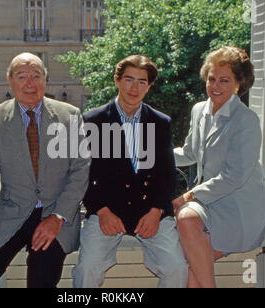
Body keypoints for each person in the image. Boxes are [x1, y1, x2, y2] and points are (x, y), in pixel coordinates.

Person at [0, 53, 91, 288]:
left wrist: (57, 217)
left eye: (36, 76)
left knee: (41, 277)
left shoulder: (69, 116)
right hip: (12, 214)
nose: (30, 83)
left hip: (55, 213)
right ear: (10, 80)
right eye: (22, 76)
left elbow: (80, 169)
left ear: (45, 80)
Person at [73, 55, 188, 288]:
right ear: (117, 80)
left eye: (142, 82)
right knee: (87, 268)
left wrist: (156, 211)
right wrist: (101, 210)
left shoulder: (160, 122)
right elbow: (81, 175)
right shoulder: (92, 121)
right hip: (106, 211)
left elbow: (167, 175)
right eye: (128, 79)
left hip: (150, 212)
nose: (134, 88)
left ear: (149, 86)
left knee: (177, 268)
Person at [173, 47, 265, 288]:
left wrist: (188, 196)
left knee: (185, 217)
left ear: (238, 83)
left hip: (238, 209)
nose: (215, 85)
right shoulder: (199, 110)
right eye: (211, 78)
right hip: (210, 205)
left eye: (224, 80)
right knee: (191, 265)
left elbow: (233, 177)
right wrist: (146, 155)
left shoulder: (246, 120)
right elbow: (189, 153)